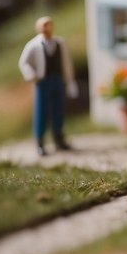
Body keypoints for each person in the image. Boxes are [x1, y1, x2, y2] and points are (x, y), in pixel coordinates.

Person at [18, 16, 78, 156]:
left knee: (58, 109)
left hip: (57, 80)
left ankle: (58, 138)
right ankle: (40, 142)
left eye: (49, 24)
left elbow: (66, 63)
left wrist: (70, 81)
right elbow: (23, 62)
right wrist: (32, 75)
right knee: (41, 111)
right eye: (44, 25)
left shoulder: (60, 43)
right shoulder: (34, 45)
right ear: (38, 28)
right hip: (43, 82)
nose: (47, 28)